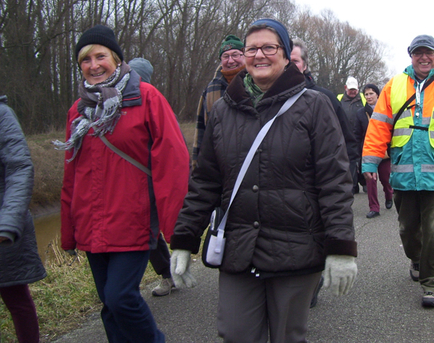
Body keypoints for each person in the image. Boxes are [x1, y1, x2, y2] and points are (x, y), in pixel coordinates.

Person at [170, 18, 357, 343]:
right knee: (235, 333)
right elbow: (205, 184)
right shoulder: (223, 112)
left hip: (297, 248)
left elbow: (335, 181)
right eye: (251, 48)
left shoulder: (314, 106)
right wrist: (184, 240)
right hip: (239, 248)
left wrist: (341, 249)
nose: (259, 55)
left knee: (288, 337)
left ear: (285, 55)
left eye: (269, 47)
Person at [54, 24, 189, 342]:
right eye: (85, 60)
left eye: (100, 56)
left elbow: (173, 164)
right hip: (90, 223)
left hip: (133, 220)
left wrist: (177, 232)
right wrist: (68, 230)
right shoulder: (79, 109)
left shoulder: (146, 98)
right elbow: (72, 171)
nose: (93, 65)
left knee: (120, 298)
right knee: (109, 304)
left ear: (115, 58)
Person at [362, 35, 434, 308]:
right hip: (403, 174)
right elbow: (378, 127)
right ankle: (416, 259)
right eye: (418, 53)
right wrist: (369, 162)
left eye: (429, 53)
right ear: (411, 56)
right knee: (408, 230)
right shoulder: (393, 86)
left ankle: (433, 282)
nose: (424, 58)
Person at [290, 38, 358, 308]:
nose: (290, 65)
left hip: (320, 185)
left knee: (315, 236)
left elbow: (346, 139)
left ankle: (310, 285)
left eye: (295, 60)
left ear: (305, 65)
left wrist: (349, 171)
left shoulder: (325, 98)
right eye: (288, 59)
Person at [0, 95, 46, 343]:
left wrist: (8, 222)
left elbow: (19, 167)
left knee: (16, 299)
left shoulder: (2, 115)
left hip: (4, 226)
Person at [128, 57, 175, 297]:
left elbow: (169, 148)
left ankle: (168, 275)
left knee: (150, 233)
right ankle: (129, 286)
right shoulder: (116, 102)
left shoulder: (153, 100)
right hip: (125, 186)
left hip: (150, 181)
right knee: (142, 233)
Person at [191, 34, 245, 170]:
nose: (231, 60)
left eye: (235, 55)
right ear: (221, 60)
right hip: (218, 165)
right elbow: (201, 130)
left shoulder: (255, 84)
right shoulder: (210, 90)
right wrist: (196, 166)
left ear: (244, 56)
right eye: (226, 56)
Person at [355, 84, 393, 219]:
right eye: (366, 94)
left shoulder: (386, 110)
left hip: (384, 152)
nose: (369, 97)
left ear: (378, 95)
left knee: (385, 179)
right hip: (368, 152)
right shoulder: (360, 113)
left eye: (371, 93)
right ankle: (374, 207)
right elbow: (357, 135)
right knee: (370, 181)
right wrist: (360, 153)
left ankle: (389, 196)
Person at [337, 77, 365, 194]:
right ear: (345, 88)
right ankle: (353, 185)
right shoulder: (339, 99)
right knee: (350, 162)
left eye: (355, 89)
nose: (353, 92)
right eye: (350, 89)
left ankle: (364, 183)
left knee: (363, 160)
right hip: (346, 136)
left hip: (361, 135)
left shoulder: (363, 99)